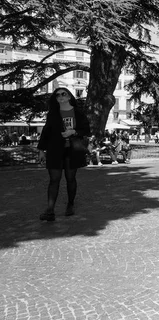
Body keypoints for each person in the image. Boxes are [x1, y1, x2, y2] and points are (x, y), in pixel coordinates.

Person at [37, 87, 91, 221]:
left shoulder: (78, 113)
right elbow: (46, 132)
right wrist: (41, 150)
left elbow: (86, 130)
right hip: (55, 149)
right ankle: (50, 211)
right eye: (57, 95)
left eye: (63, 94)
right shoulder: (53, 114)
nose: (60, 96)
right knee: (54, 180)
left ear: (69, 97)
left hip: (72, 150)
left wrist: (73, 132)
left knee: (70, 179)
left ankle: (70, 204)